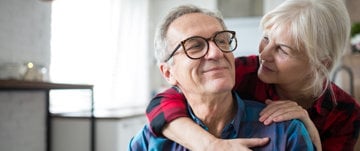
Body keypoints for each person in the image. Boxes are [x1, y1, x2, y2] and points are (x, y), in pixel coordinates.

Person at [145, 0, 360, 151]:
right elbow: (161, 103)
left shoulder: (345, 113)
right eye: (266, 38)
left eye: (282, 50)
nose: (263, 54)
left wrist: (308, 131)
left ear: (321, 63)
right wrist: (209, 145)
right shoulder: (243, 71)